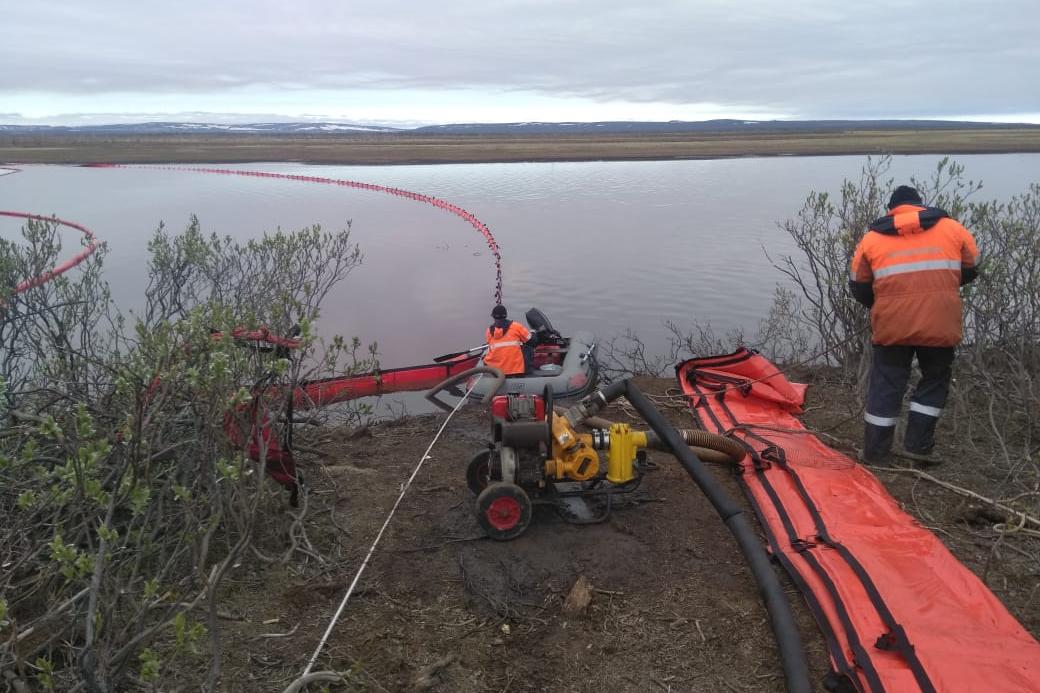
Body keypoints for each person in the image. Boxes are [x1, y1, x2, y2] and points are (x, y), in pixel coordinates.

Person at [849, 185, 980, 466]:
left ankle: (876, 454)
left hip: (892, 326)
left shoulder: (872, 239)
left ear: (891, 210)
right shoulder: (952, 229)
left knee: (886, 384)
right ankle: (918, 449)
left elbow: (858, 286)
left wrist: (882, 304)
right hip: (940, 322)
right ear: (921, 205)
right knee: (934, 381)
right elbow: (970, 268)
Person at [483, 305, 531, 376]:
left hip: (494, 371)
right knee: (528, 348)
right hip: (515, 369)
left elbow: (489, 344)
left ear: (493, 316)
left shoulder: (489, 331)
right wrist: (533, 332)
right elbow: (530, 339)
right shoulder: (517, 327)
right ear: (506, 315)